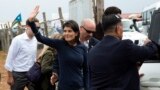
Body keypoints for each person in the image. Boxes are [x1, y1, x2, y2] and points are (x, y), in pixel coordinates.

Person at [87, 14, 158, 90]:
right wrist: (149, 43)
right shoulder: (125, 46)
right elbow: (148, 51)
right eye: (122, 26)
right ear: (118, 28)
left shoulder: (92, 51)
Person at [27, 6, 88, 90]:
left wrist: (87, 87)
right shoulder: (60, 44)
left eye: (69, 31)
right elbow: (40, 38)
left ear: (76, 33)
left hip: (79, 87)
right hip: (63, 87)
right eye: (65, 31)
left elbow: (86, 71)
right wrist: (31, 21)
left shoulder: (82, 48)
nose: (66, 33)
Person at [4, 18, 40, 90]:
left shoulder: (35, 39)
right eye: (35, 27)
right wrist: (10, 76)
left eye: (38, 27)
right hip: (18, 74)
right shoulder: (17, 40)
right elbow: (10, 59)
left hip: (31, 73)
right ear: (27, 26)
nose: (37, 29)